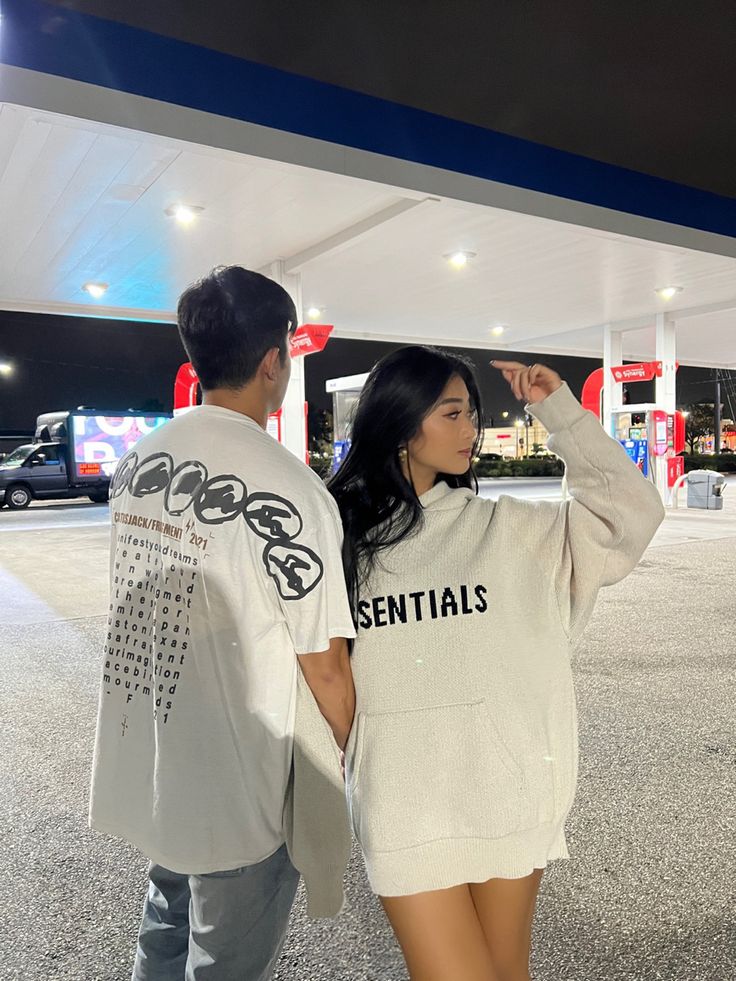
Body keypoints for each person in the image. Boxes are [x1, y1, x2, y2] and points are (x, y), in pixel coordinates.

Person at [327, 347, 665, 981]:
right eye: (452, 414)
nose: (470, 431)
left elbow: (633, 513)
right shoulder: (339, 537)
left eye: (471, 414)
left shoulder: (514, 530)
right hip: (404, 802)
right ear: (400, 420)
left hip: (507, 791)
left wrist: (559, 411)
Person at [88, 266, 357, 980]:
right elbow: (325, 663)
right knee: (225, 961)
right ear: (275, 360)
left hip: (161, 761)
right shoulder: (291, 487)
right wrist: (359, 756)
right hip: (242, 783)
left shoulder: (139, 461)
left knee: (165, 927)